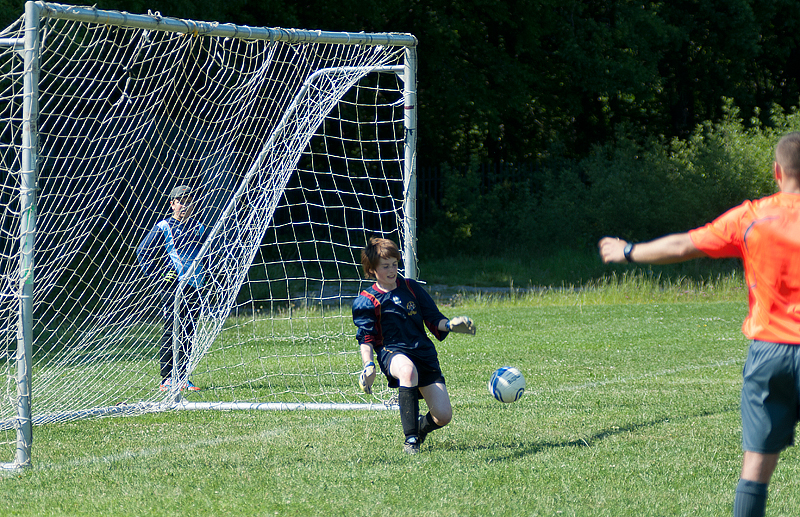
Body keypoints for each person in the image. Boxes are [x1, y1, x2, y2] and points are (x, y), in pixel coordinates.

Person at [598, 132, 800, 517]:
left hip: (768, 354)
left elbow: (683, 246)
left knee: (756, 468)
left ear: (776, 171)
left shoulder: (752, 216)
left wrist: (628, 251)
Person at [352, 237, 477, 454]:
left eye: (395, 264)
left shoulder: (411, 287)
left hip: (423, 353)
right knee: (407, 370)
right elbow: (366, 338)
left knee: (443, 416)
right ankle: (411, 440)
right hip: (393, 352)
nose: (392, 270)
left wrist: (451, 325)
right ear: (372, 270)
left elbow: (433, 319)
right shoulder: (367, 300)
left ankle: (419, 428)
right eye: (386, 266)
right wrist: (368, 365)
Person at [136, 185, 207, 392]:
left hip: (196, 286)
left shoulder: (198, 227)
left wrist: (210, 272)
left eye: (188, 201)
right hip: (173, 287)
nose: (185, 205)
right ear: (172, 204)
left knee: (189, 331)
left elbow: (205, 255)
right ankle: (167, 378)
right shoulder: (164, 227)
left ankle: (183, 377)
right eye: (180, 201)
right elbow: (143, 252)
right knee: (172, 329)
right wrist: (159, 274)